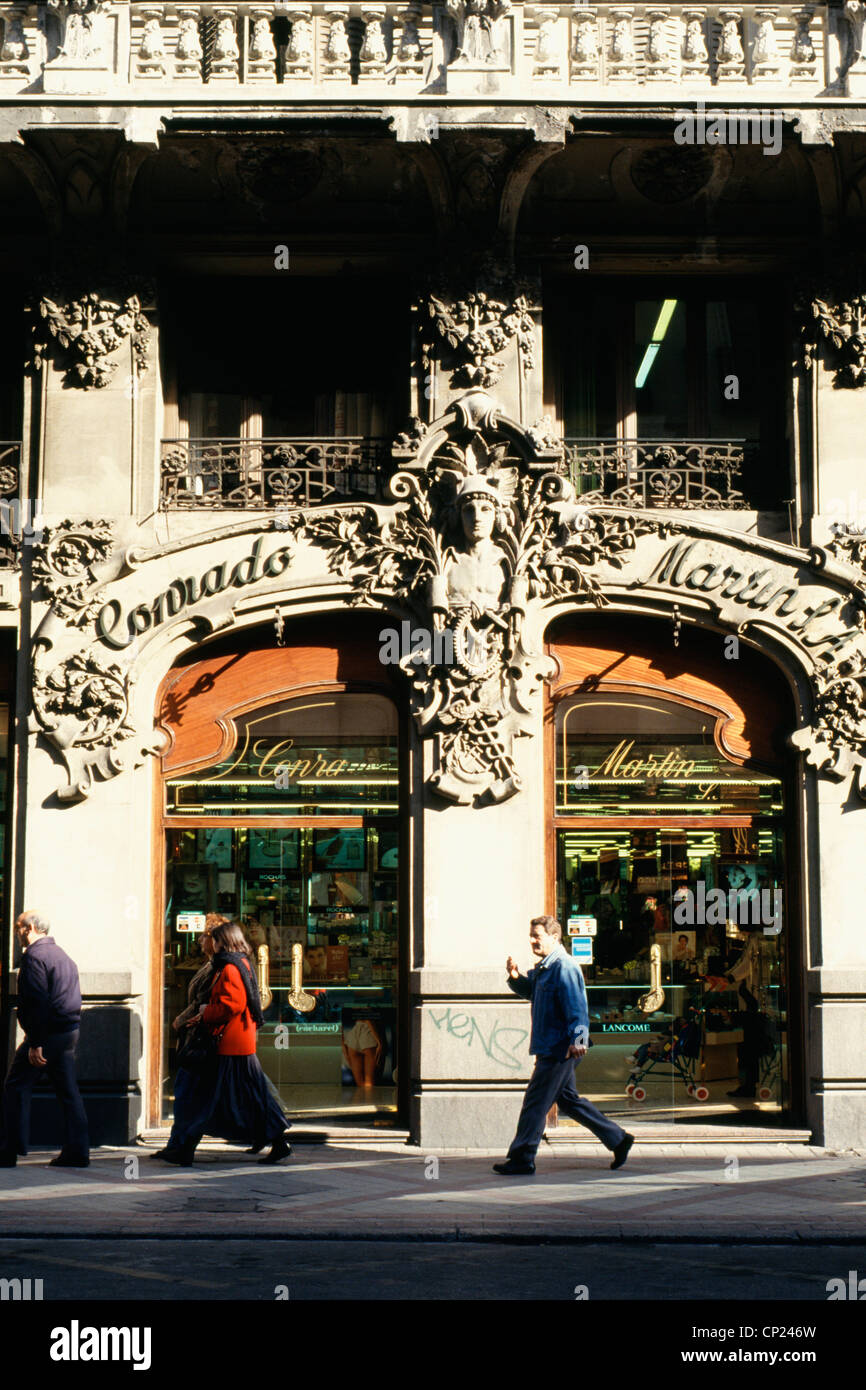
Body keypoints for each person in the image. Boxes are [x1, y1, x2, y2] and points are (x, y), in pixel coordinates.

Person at [493, 915, 634, 1176]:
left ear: (554, 937)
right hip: (551, 1045)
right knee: (568, 1101)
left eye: (537, 935)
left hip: (560, 1048)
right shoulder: (545, 967)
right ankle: (618, 1139)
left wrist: (578, 1041)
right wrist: (514, 977)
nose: (532, 940)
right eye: (531, 935)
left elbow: (578, 1007)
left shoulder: (564, 966)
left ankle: (523, 1157)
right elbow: (532, 992)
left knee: (535, 1102)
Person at [157, 920, 291, 1167]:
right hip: (237, 1043)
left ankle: (185, 1149)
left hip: (229, 1044)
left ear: (224, 941)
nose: (212, 943)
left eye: (215, 939)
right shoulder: (239, 963)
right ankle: (277, 1141)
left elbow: (233, 1005)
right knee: (250, 1096)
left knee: (208, 1097)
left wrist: (206, 1011)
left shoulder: (229, 967)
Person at [0, 911, 90, 1168]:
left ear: (29, 928)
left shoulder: (34, 957)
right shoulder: (62, 956)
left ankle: (8, 1150)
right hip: (67, 1031)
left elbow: (36, 1001)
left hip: (47, 1035)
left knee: (15, 1086)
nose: (17, 932)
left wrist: (35, 1041)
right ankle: (77, 1151)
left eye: (19, 927)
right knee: (68, 1092)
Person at [151, 913, 225, 1162]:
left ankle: (181, 1146)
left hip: (203, 1039)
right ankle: (178, 1144)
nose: (200, 940)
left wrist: (184, 1018)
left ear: (215, 939)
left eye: (205, 935)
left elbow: (206, 1002)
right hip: (196, 1036)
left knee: (188, 1092)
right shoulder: (210, 964)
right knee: (187, 1092)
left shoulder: (221, 966)